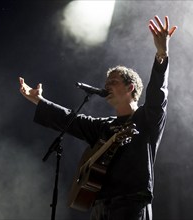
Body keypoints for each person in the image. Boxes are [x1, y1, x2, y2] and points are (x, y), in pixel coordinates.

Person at [19, 15, 177, 220]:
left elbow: (157, 94)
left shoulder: (147, 118)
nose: (106, 86)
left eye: (113, 82)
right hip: (100, 207)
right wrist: (38, 100)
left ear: (130, 88)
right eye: (106, 82)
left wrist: (161, 54)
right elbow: (70, 119)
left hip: (131, 205)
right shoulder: (103, 126)